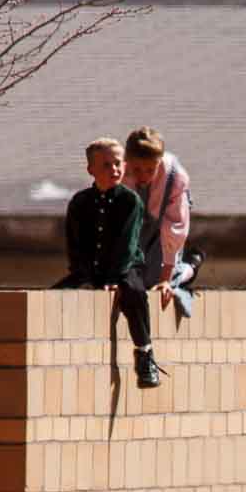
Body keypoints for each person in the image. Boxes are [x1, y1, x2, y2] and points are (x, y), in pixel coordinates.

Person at [55, 137, 159, 388]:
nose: (114, 169)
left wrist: (113, 279)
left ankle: (145, 353)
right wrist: (85, 276)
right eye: (106, 165)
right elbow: (75, 245)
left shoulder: (130, 201)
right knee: (57, 295)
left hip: (124, 268)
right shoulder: (80, 202)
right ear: (91, 169)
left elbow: (127, 244)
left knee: (133, 292)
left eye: (117, 164)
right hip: (90, 270)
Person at [121, 127, 199, 322]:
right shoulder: (119, 173)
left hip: (163, 224)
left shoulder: (175, 179)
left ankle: (191, 264)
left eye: (150, 169)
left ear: (159, 162)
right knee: (135, 281)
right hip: (137, 224)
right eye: (136, 169)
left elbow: (174, 229)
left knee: (157, 282)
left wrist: (165, 279)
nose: (143, 176)